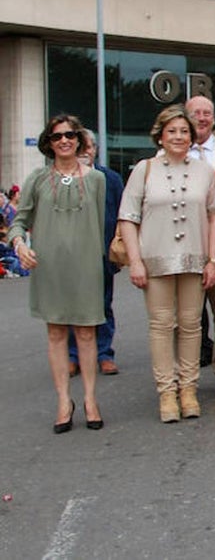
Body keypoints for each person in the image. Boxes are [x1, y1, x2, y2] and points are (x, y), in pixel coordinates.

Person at [119, 105, 215, 422]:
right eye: (172, 131)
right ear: (160, 136)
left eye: (184, 132)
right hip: (155, 260)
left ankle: (188, 389)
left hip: (195, 259)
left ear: (192, 137)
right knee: (162, 326)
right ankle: (167, 392)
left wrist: (214, 259)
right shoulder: (144, 169)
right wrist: (135, 261)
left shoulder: (205, 171)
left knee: (192, 326)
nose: (179, 137)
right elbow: (128, 217)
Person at [9, 114, 108, 432]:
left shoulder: (96, 179)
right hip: (48, 267)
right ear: (48, 144)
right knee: (55, 333)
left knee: (86, 333)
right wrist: (18, 244)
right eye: (56, 137)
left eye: (69, 135)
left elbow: (100, 226)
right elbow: (18, 220)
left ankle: (91, 399)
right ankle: (64, 400)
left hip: (85, 266)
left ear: (79, 140)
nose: (64, 140)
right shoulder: (37, 179)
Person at [185, 95, 215, 395]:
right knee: (186, 318)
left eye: (207, 113)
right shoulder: (171, 152)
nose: (202, 118)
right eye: (196, 113)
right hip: (185, 243)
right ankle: (184, 378)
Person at [67, 129, 124, 376]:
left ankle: (103, 354)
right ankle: (73, 355)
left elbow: (123, 215)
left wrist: (119, 250)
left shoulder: (110, 179)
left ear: (95, 149)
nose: (85, 153)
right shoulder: (63, 179)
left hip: (101, 254)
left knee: (102, 304)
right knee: (71, 305)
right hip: (71, 254)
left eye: (88, 147)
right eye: (81, 149)